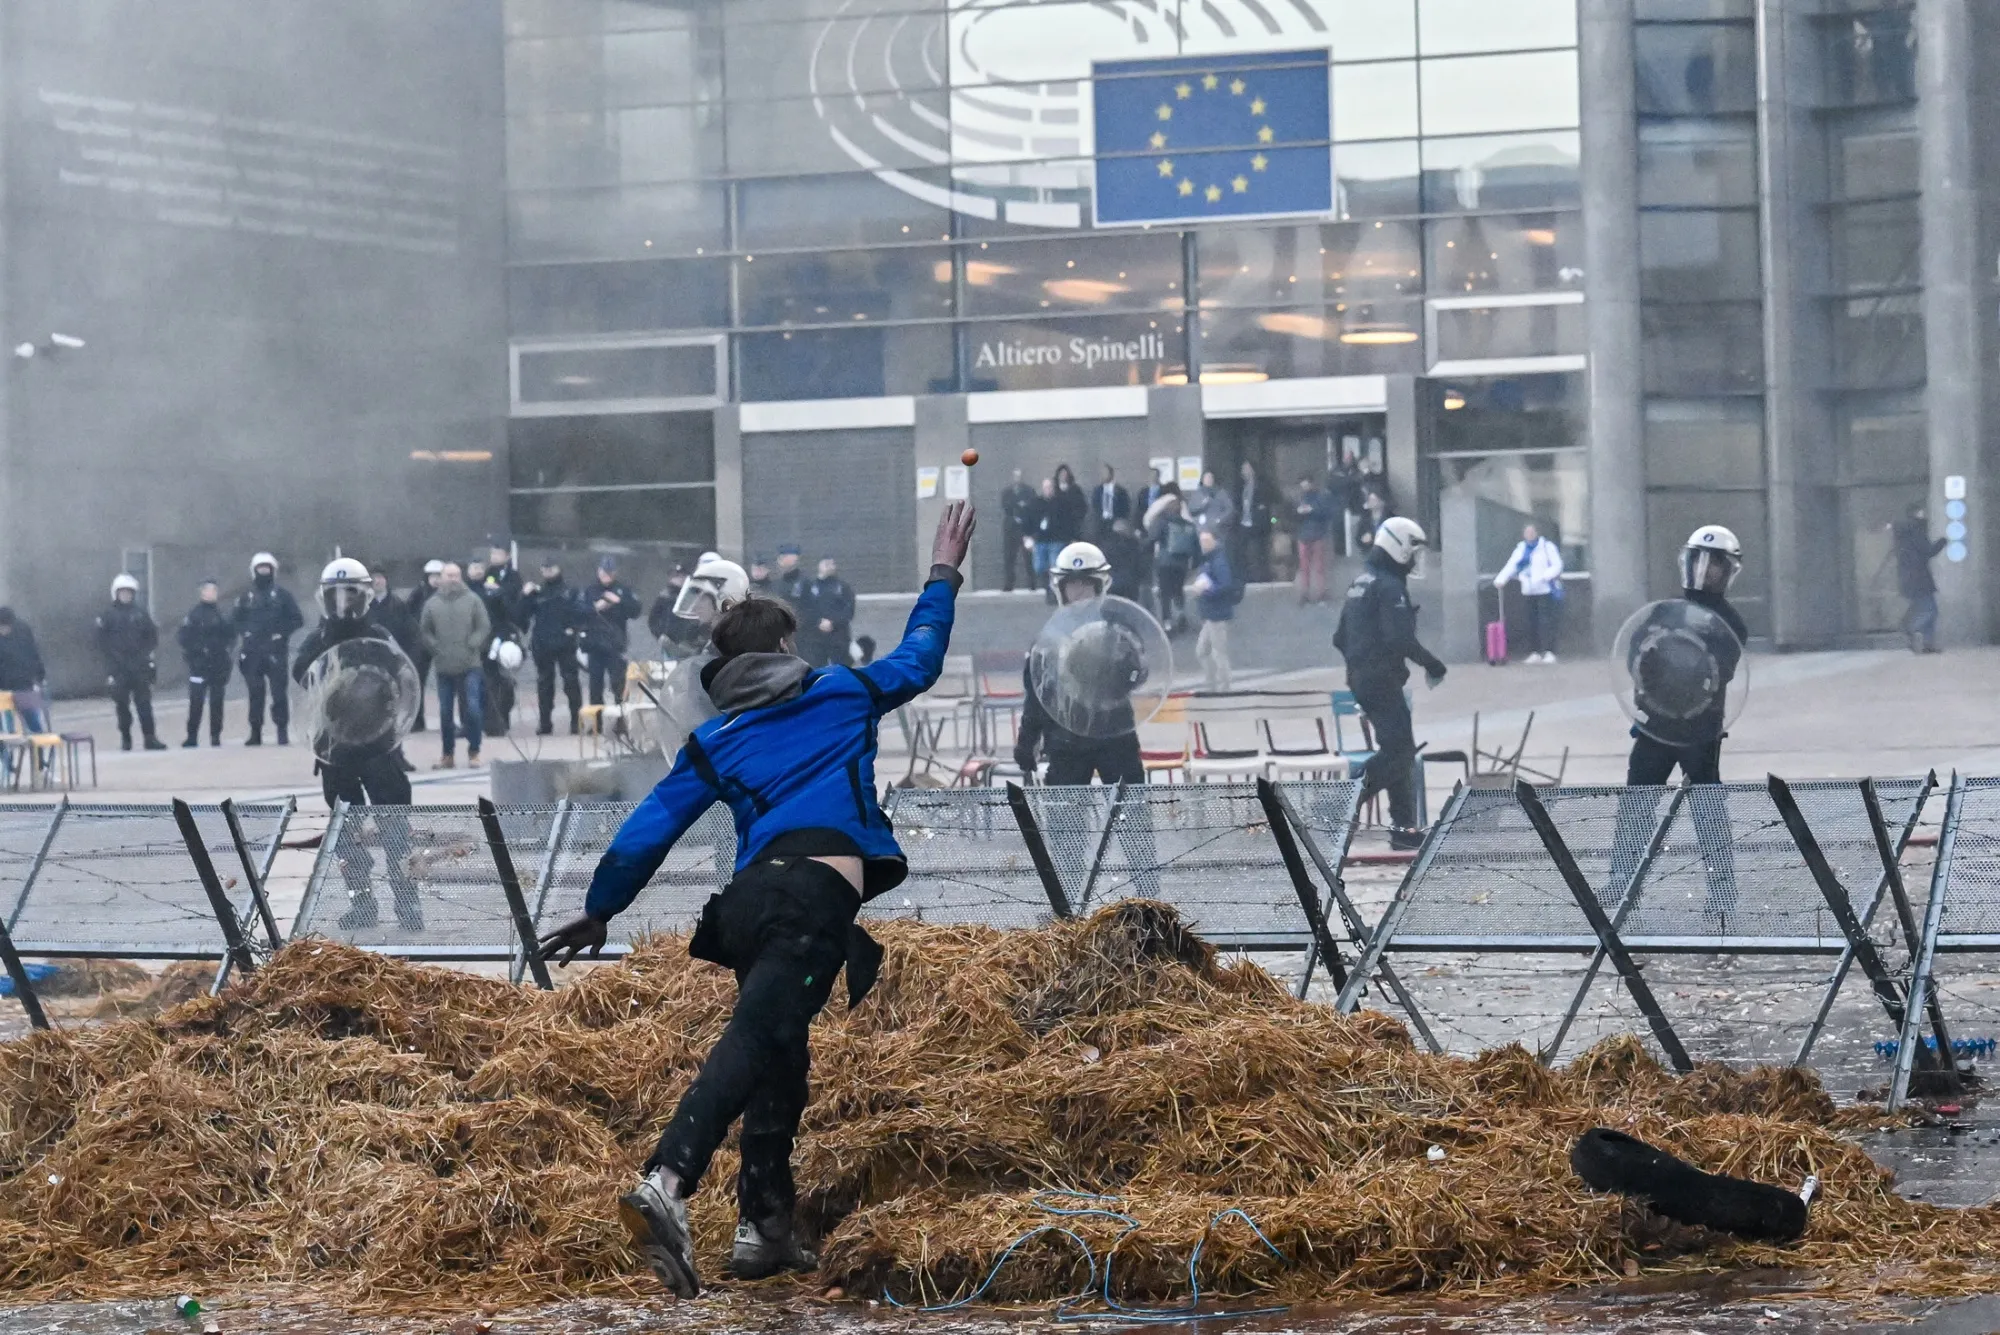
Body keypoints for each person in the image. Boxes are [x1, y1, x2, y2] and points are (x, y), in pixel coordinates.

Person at [535, 502, 979, 1299]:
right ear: (781, 648)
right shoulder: (842, 692)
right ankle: (667, 1179)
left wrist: (603, 906)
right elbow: (921, 656)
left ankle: (765, 1225)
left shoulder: (715, 738)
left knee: (782, 1050)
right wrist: (942, 572)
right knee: (754, 1038)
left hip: (747, 904)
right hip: (814, 897)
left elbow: (649, 827)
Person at [293, 558, 422, 933]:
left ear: (365, 596)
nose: (342, 603)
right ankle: (362, 903)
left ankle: (408, 904)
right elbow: (300, 674)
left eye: (350, 594)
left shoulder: (380, 636)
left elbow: (403, 674)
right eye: (335, 595)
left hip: (380, 747)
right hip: (336, 752)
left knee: (397, 831)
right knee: (346, 835)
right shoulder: (317, 640)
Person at [1332, 517, 1447, 851]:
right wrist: (1432, 664)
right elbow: (1399, 638)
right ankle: (1339, 805)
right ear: (1398, 547)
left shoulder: (1361, 582)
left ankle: (1404, 830)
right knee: (1398, 754)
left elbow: (1339, 637)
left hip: (1364, 680)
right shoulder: (1388, 586)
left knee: (1399, 750)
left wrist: (1358, 666)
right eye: (1412, 551)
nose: (1413, 560)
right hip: (1381, 681)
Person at [1014, 542, 1146, 786]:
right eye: (1072, 585)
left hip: (1115, 735)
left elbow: (1139, 675)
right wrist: (1027, 740)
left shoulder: (1118, 629)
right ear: (1061, 589)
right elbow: (1036, 694)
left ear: (1100, 586)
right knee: (1064, 819)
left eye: (1086, 585)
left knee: (1130, 815)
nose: (1079, 592)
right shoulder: (1048, 638)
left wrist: (1121, 666)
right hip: (1066, 741)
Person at [419, 561, 490, 769]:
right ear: (441, 578)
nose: (453, 579)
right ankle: (447, 754)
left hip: (470, 665)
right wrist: (436, 647)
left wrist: (473, 644)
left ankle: (474, 751)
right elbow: (425, 631)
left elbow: (483, 625)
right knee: (445, 713)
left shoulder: (473, 600)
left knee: (473, 710)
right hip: (444, 667)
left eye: (456, 575)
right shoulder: (432, 604)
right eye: (449, 575)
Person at [234, 552, 304, 746]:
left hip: (276, 651)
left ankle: (282, 730)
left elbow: (297, 619)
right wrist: (245, 633)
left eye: (267, 568)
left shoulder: (282, 596)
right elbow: (235, 620)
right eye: (260, 568)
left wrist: (282, 633)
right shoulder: (246, 596)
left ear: (273, 570)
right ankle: (255, 731)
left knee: (279, 693)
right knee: (255, 693)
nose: (263, 571)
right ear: (254, 571)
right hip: (253, 651)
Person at [96, 574, 166, 751]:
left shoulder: (141, 614)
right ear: (116, 593)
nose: (126, 595)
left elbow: (152, 636)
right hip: (119, 668)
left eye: (129, 592)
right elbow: (100, 642)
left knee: (144, 704)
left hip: (139, 667)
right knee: (122, 705)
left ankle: (150, 738)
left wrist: (145, 656)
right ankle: (126, 738)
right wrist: (112, 665)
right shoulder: (107, 616)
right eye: (123, 592)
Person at [522, 558, 585, 735]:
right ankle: (545, 722)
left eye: (551, 568)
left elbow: (580, 613)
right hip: (543, 644)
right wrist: (525, 596)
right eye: (545, 569)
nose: (548, 572)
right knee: (544, 685)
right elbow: (522, 615)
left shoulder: (569, 591)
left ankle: (575, 720)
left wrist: (574, 630)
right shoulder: (538, 592)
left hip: (565, 644)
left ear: (558, 568)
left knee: (571, 683)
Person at [1493, 523, 1567, 663]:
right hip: (1529, 590)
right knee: (1531, 622)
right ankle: (1535, 651)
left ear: (1536, 533)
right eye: (1527, 532)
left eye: (1532, 532)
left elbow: (1557, 565)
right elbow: (1512, 565)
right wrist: (1501, 579)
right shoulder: (1521, 549)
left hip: (1545, 589)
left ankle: (1549, 651)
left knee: (1546, 621)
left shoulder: (1546, 547)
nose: (1529, 535)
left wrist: (1545, 577)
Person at [176, 579, 235, 748]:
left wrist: (226, 653)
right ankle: (192, 735)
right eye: (207, 590)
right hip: (198, 666)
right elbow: (183, 637)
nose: (211, 593)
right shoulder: (194, 615)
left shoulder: (222, 615)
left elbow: (231, 636)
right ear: (201, 593)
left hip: (218, 665)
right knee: (196, 702)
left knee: (217, 702)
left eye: (214, 590)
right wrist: (194, 654)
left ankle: (215, 735)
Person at [1890, 503, 1947, 655]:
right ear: (1916, 514)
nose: (1925, 514)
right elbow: (1928, 552)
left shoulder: (1903, 534)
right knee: (1930, 610)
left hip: (1909, 578)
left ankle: (1927, 644)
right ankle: (1909, 629)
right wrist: (1943, 541)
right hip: (1919, 578)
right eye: (1922, 512)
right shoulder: (1916, 530)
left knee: (1927, 609)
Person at [585, 556, 641, 705]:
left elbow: (635, 611)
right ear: (598, 571)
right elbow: (579, 612)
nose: (606, 576)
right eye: (604, 572)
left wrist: (619, 601)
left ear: (615, 573)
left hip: (615, 644)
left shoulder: (622, 590)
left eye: (610, 573)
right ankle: (596, 722)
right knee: (595, 685)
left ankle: (621, 718)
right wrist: (596, 607)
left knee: (619, 683)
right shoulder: (591, 590)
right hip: (595, 644)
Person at [1144, 483, 1199, 633]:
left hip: (1164, 563)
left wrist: (1145, 552)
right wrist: (1194, 564)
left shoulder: (1162, 521)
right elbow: (1196, 546)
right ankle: (1181, 614)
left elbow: (1152, 539)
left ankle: (1168, 623)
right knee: (1178, 590)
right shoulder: (1188, 525)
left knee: (1165, 593)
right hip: (1181, 564)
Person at [1190, 529, 1240, 691]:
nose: (1203, 545)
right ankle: (1211, 683)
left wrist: (1205, 591)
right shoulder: (1210, 560)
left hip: (1217, 613)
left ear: (1214, 542)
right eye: (1201, 541)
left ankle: (1224, 686)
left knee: (1218, 652)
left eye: (1206, 541)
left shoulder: (1218, 561)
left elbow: (1225, 585)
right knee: (1203, 651)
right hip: (1211, 613)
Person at [404, 560, 444, 732]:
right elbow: (408, 614)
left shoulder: (447, 594)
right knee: (417, 681)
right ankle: (417, 720)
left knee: (446, 681)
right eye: (432, 576)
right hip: (422, 643)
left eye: (438, 576)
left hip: (444, 642)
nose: (435, 580)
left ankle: (448, 719)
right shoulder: (418, 593)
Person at [800, 557, 856, 669]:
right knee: (817, 671)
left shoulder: (843, 587)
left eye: (832, 564)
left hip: (839, 638)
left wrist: (833, 623)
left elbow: (849, 611)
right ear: (819, 566)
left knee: (841, 671)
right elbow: (805, 609)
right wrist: (818, 622)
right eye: (826, 563)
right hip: (816, 639)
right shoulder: (810, 587)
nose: (829, 566)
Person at [0, 608, 47, 730]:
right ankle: (5, 745)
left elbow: (33, 653)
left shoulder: (22, 631)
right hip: (10, 684)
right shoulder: (23, 629)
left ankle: (38, 743)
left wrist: (39, 674)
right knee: (7, 720)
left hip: (21, 682)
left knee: (30, 716)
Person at [1294, 475, 1334, 604]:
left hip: (1315, 534)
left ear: (1311, 484)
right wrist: (1298, 512)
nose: (1304, 488)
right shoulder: (1301, 498)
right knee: (1306, 566)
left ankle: (1319, 592)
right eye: (1303, 485)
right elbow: (1291, 515)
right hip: (1307, 534)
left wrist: (1311, 510)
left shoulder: (1321, 497)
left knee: (1317, 566)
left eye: (1306, 485)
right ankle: (1307, 593)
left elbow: (1327, 513)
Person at [1001, 468, 1039, 593]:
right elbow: (1006, 506)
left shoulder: (1029, 491)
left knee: (1028, 556)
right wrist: (1019, 504)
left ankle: (1032, 583)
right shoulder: (1006, 492)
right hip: (1011, 529)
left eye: (1019, 476)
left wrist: (1021, 506)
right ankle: (1009, 583)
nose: (1017, 478)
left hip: (1026, 529)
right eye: (1015, 476)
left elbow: (1032, 505)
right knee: (1009, 557)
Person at [1235, 460, 1270, 583]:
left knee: (1257, 551)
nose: (1244, 471)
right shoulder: (1241, 486)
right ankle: (1246, 576)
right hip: (1244, 523)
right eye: (1243, 469)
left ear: (1253, 470)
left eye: (1247, 468)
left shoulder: (1260, 485)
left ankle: (1260, 576)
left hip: (1257, 524)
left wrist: (1265, 512)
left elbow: (1269, 503)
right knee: (1243, 552)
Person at [1100, 519, 1148, 602]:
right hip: (1130, 585)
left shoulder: (1106, 545)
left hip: (1111, 584)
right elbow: (1141, 567)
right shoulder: (1135, 546)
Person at [1091, 463, 1131, 538]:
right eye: (1102, 473)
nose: (1103, 475)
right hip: (1101, 523)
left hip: (1116, 522)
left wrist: (1120, 520)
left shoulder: (1120, 491)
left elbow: (1126, 507)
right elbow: (1095, 505)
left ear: (1111, 474)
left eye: (1106, 473)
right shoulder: (1097, 490)